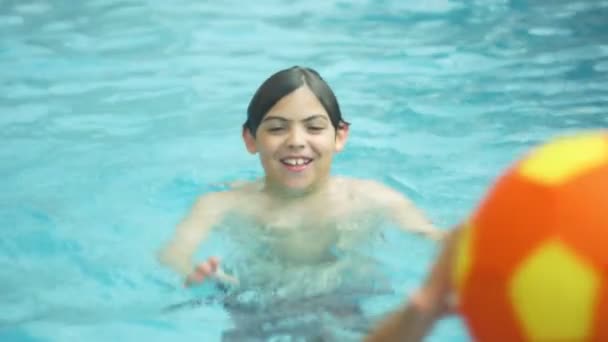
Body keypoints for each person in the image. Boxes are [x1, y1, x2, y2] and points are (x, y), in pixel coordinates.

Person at [157, 65, 444, 288]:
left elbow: (436, 239)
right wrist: (198, 278)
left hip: (346, 299)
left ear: (340, 136)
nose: (296, 141)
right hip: (253, 304)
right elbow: (173, 255)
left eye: (314, 128)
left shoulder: (373, 198)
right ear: (250, 139)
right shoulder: (220, 204)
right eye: (277, 128)